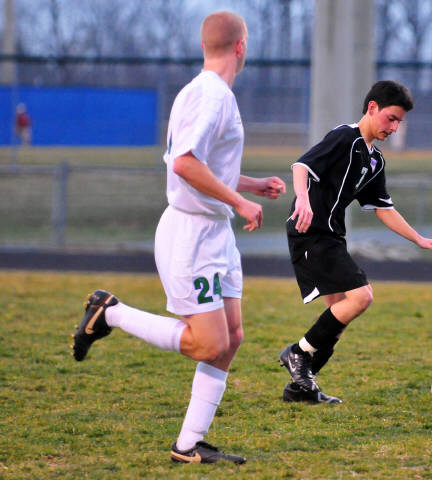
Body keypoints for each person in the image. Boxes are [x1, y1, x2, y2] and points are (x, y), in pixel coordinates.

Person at [71, 11, 285, 465]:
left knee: (232, 337)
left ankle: (189, 444)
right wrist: (241, 202)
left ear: (205, 46)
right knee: (208, 344)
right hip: (192, 235)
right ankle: (111, 314)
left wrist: (250, 186)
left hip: (215, 232)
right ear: (241, 47)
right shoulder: (213, 96)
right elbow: (184, 163)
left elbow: (203, 164)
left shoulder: (203, 90)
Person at [278, 81, 432, 404]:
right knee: (361, 297)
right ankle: (298, 353)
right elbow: (302, 166)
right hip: (311, 232)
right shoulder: (345, 138)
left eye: (399, 122)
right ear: (372, 108)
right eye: (391, 118)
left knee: (336, 318)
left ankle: (301, 389)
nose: (394, 127)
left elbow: (383, 208)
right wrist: (302, 199)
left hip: (332, 235)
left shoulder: (375, 161)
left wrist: (418, 239)